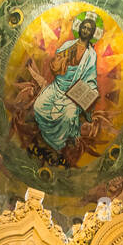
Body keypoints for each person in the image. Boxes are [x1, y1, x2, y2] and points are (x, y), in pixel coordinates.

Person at [33, 15, 99, 154]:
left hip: (73, 92)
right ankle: (46, 137)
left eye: (89, 29)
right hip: (57, 86)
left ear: (92, 34)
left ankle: (60, 144)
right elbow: (54, 66)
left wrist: (91, 91)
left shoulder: (91, 55)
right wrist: (59, 63)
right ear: (79, 28)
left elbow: (90, 77)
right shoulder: (68, 45)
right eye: (84, 27)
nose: (86, 30)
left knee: (68, 116)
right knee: (38, 106)